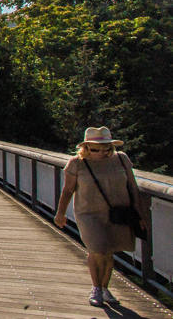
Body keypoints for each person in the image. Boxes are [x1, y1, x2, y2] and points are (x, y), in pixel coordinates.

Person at [53, 126, 149, 307]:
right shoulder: (76, 163)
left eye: (106, 148)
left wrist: (140, 214)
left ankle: (105, 288)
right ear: (86, 148)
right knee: (98, 248)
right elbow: (67, 190)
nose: (102, 152)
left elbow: (133, 188)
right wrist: (60, 213)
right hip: (88, 214)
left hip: (118, 212)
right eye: (96, 149)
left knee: (109, 251)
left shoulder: (121, 159)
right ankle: (96, 288)